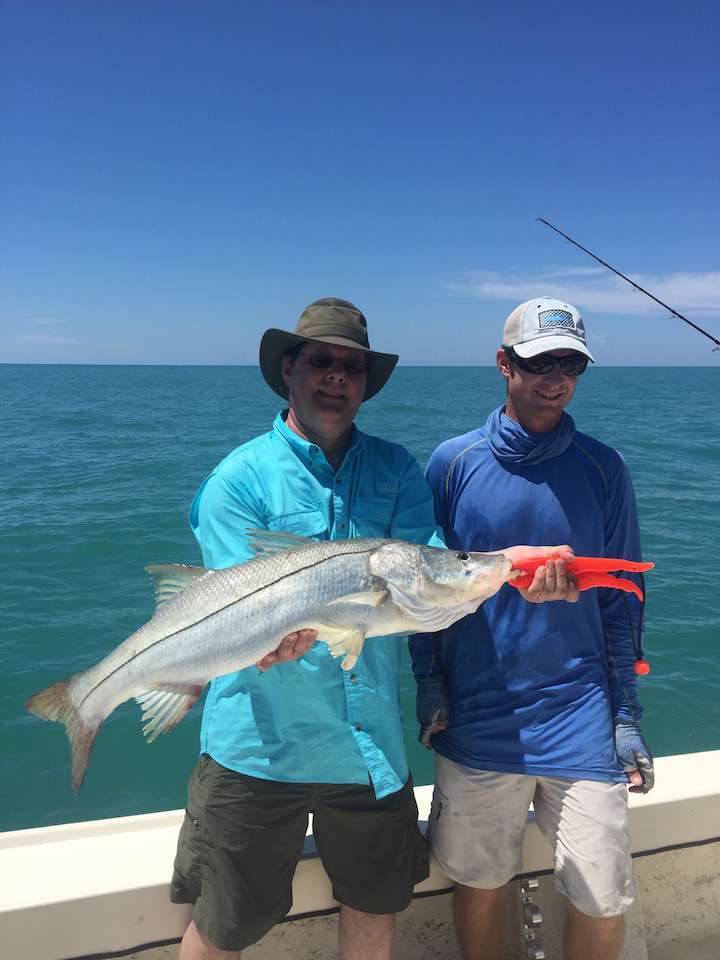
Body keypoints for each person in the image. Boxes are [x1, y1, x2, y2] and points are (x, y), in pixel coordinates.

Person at [410, 297, 654, 960]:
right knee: (480, 882)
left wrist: (626, 717)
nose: (555, 377)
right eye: (538, 361)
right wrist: (430, 683)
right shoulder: (451, 464)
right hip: (480, 714)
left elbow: (625, 597)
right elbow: (424, 590)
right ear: (503, 364)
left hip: (580, 714)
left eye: (570, 362)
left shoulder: (605, 470)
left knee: (602, 892)